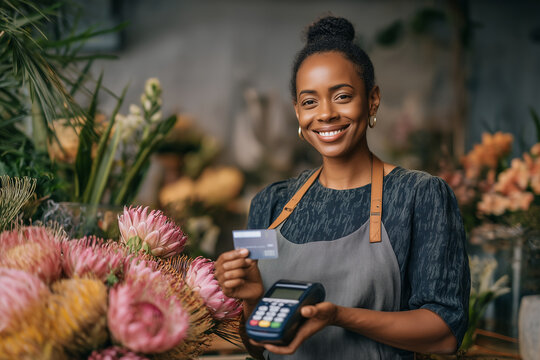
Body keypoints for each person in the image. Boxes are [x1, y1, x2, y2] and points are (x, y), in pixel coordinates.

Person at [215, 15, 470, 360]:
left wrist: (338, 316)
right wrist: (250, 300)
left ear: (372, 99)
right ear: (297, 113)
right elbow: (259, 350)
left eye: (342, 96)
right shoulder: (271, 203)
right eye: (310, 102)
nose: (326, 114)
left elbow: (443, 335)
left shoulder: (419, 196)